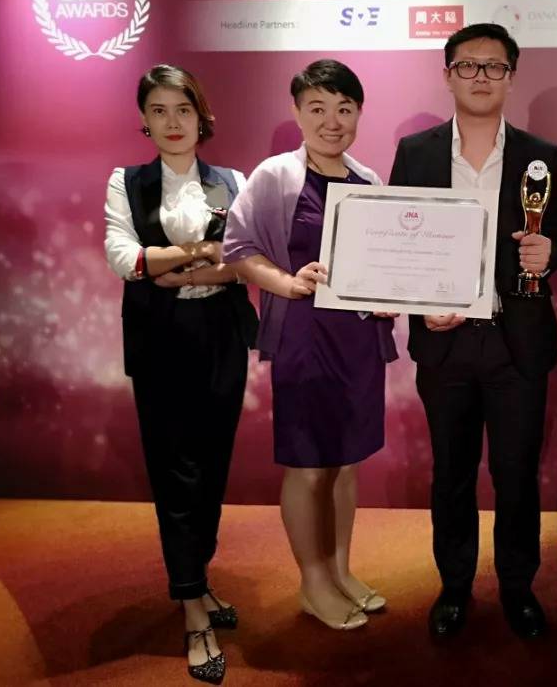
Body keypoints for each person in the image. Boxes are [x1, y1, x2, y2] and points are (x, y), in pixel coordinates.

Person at [388, 23, 557, 639]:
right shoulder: (416, 152)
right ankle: (455, 586)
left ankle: (518, 587)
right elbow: (399, 242)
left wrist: (550, 252)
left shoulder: (543, 155)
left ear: (512, 77)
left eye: (494, 67)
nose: (481, 77)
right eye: (468, 66)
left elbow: (556, 238)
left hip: (518, 342)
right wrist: (419, 305)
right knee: (452, 474)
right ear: (448, 75)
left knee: (517, 476)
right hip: (446, 341)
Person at [223, 60, 397, 632]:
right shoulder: (275, 175)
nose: (332, 121)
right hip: (303, 336)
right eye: (317, 108)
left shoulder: (369, 180)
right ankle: (312, 582)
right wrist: (286, 282)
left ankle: (341, 570)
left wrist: (392, 295)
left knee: (345, 464)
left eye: (344, 109)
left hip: (359, 341)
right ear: (297, 112)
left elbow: (385, 261)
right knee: (308, 466)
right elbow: (238, 249)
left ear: (358, 114)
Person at [104, 64, 257, 684]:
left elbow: (245, 258)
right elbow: (124, 257)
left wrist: (180, 269)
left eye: (183, 109)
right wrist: (199, 252)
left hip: (221, 337)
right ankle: (192, 606)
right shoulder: (127, 182)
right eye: (159, 110)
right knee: (176, 473)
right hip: (161, 342)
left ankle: (199, 576)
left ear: (201, 117)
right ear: (145, 120)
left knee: (213, 466)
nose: (172, 122)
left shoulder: (232, 181)